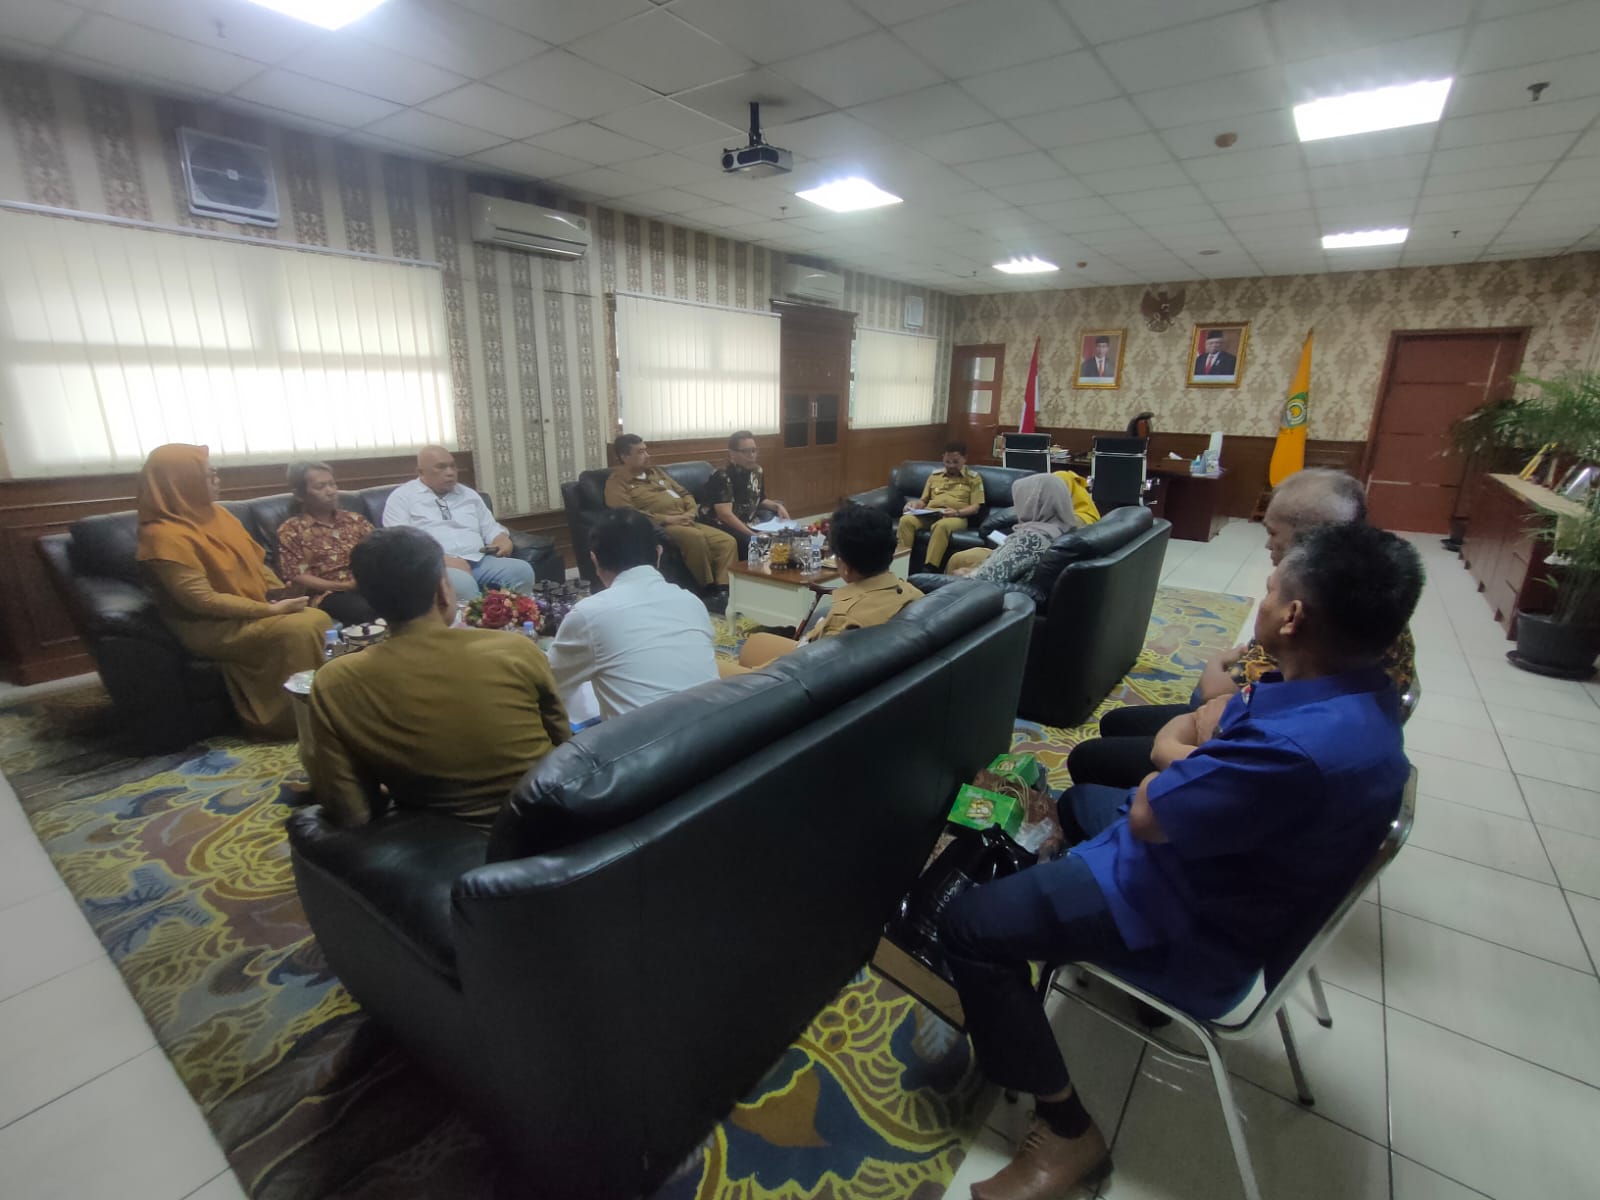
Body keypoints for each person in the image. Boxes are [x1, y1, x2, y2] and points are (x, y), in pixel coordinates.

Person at [942, 522, 1423, 1200]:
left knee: (967, 926)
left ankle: (1067, 1128)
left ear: (1293, 616)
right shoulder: (1356, 695)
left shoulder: (1299, 749)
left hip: (1190, 918)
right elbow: (1209, 731)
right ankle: (1055, 934)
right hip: (1223, 869)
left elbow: (1151, 808)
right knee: (1079, 801)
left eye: (1270, 589)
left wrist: (1174, 757)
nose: (1261, 599)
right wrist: (1185, 755)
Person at [1067, 467, 1416, 790]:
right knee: (1116, 723)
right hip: (1243, 723)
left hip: (1238, 743)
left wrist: (1176, 740)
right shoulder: (1369, 603)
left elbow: (1213, 697)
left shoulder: (1320, 633)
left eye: (1272, 532)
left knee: (1090, 760)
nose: (1267, 545)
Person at [306, 527, 570, 830]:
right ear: (443, 592)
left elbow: (352, 811)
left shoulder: (335, 681)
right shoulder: (516, 649)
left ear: (370, 600)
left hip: (437, 841)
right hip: (549, 825)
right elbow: (564, 749)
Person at [135, 443, 332, 739]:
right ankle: (287, 720)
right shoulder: (161, 536)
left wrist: (280, 592)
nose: (218, 480)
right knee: (300, 628)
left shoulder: (219, 516)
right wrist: (268, 610)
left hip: (253, 609)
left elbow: (257, 565)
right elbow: (201, 600)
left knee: (316, 617)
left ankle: (321, 703)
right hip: (210, 625)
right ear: (181, 482)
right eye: (209, 475)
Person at [547, 508, 718, 720]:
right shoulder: (692, 602)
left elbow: (549, 683)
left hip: (646, 740)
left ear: (594, 560)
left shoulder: (589, 614)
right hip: (718, 732)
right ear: (658, 553)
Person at [731, 503, 922, 672]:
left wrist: (755, 674)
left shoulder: (845, 620)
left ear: (844, 565)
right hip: (837, 664)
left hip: (793, 680)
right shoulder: (914, 593)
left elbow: (805, 670)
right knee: (755, 643)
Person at [381, 445, 534, 603]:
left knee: (521, 571)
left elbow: (490, 527)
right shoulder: (401, 498)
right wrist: (442, 560)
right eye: (441, 467)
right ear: (421, 472)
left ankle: (512, 617)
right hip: (435, 567)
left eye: (453, 466)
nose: (450, 472)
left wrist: (501, 539)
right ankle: (473, 619)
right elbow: (401, 545)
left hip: (478, 561)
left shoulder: (469, 495)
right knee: (463, 584)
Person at [605, 433, 737, 604]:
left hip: (687, 519)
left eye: (646, 450)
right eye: (640, 452)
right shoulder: (617, 482)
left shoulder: (656, 472)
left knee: (727, 541)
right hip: (662, 526)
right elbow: (627, 513)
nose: (647, 455)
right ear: (625, 457)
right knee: (695, 538)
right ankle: (705, 590)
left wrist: (690, 512)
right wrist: (666, 519)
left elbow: (684, 493)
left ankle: (725, 591)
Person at [276, 460, 376, 626]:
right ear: (300, 495)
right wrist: (344, 586)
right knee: (362, 609)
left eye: (332, 484)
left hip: (365, 584)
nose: (331, 491)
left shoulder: (354, 520)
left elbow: (379, 550)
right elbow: (296, 575)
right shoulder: (291, 529)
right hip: (327, 594)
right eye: (320, 487)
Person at [943, 473, 1083, 580]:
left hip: (991, 599)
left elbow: (986, 580)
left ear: (1033, 503)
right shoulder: (1067, 530)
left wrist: (966, 575)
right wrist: (975, 571)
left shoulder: (1030, 540)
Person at [698, 430, 790, 557]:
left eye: (754, 450)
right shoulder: (722, 475)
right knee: (755, 543)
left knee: (784, 535)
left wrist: (777, 506)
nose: (751, 455)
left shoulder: (757, 471)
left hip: (746, 521)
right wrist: (753, 534)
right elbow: (725, 515)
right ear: (732, 454)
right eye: (746, 451)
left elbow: (759, 499)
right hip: (721, 524)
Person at [898, 442, 986, 571]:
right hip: (930, 513)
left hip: (956, 517)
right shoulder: (934, 476)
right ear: (943, 458)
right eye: (947, 462)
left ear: (965, 459)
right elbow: (923, 500)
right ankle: (900, 564)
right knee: (906, 520)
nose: (951, 465)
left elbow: (975, 507)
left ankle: (930, 567)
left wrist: (956, 512)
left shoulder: (974, 478)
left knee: (940, 526)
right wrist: (914, 505)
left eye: (955, 462)